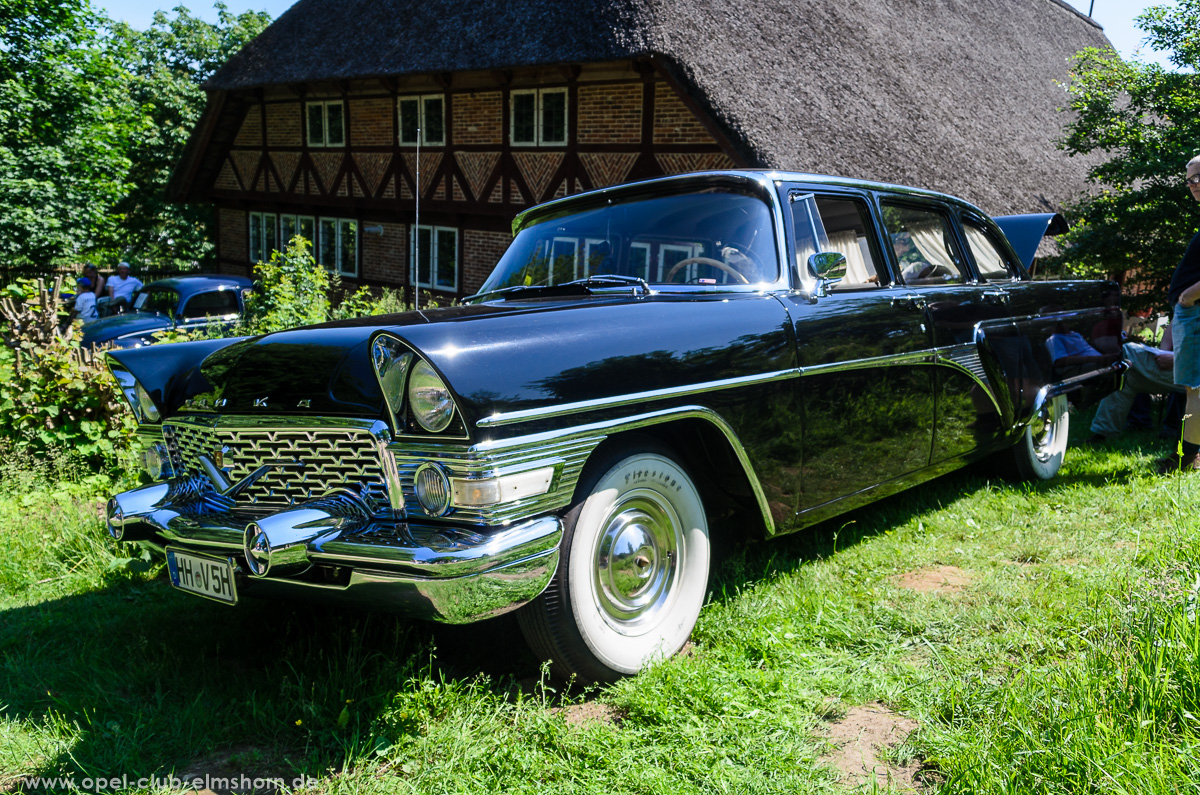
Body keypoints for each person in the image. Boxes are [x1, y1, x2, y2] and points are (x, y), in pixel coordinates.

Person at [1159, 155, 1200, 473]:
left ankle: (1187, 459)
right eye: (1189, 179)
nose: (1192, 185)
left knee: (1195, 389)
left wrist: (1188, 297)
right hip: (1192, 312)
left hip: (1196, 312)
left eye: (1197, 177)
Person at [1086, 325, 1183, 442]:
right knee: (1125, 376)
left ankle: (1081, 381)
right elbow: (1175, 323)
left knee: (1128, 352)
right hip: (1184, 366)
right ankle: (1103, 434)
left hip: (1192, 369)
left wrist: (1177, 359)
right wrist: (1163, 354)